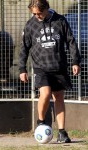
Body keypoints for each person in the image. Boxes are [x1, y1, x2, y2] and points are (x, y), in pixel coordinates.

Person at [19, 0, 81, 143]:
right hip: (41, 67)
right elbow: (24, 48)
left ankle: (62, 132)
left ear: (46, 8)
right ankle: (41, 122)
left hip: (59, 66)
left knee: (58, 97)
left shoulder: (60, 20)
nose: (36, 16)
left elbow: (71, 41)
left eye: (39, 13)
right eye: (34, 13)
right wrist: (22, 68)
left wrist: (75, 61)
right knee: (45, 93)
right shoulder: (30, 25)